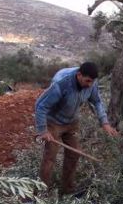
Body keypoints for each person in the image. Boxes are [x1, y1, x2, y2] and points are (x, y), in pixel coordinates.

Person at [34, 62, 118, 193]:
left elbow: (96, 101)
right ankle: (40, 193)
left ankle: (67, 190)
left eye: (92, 82)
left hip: (71, 122)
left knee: (74, 154)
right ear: (79, 75)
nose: (90, 85)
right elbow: (40, 106)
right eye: (87, 81)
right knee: (50, 157)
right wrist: (43, 130)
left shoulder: (91, 83)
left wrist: (105, 123)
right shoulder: (61, 84)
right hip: (53, 122)